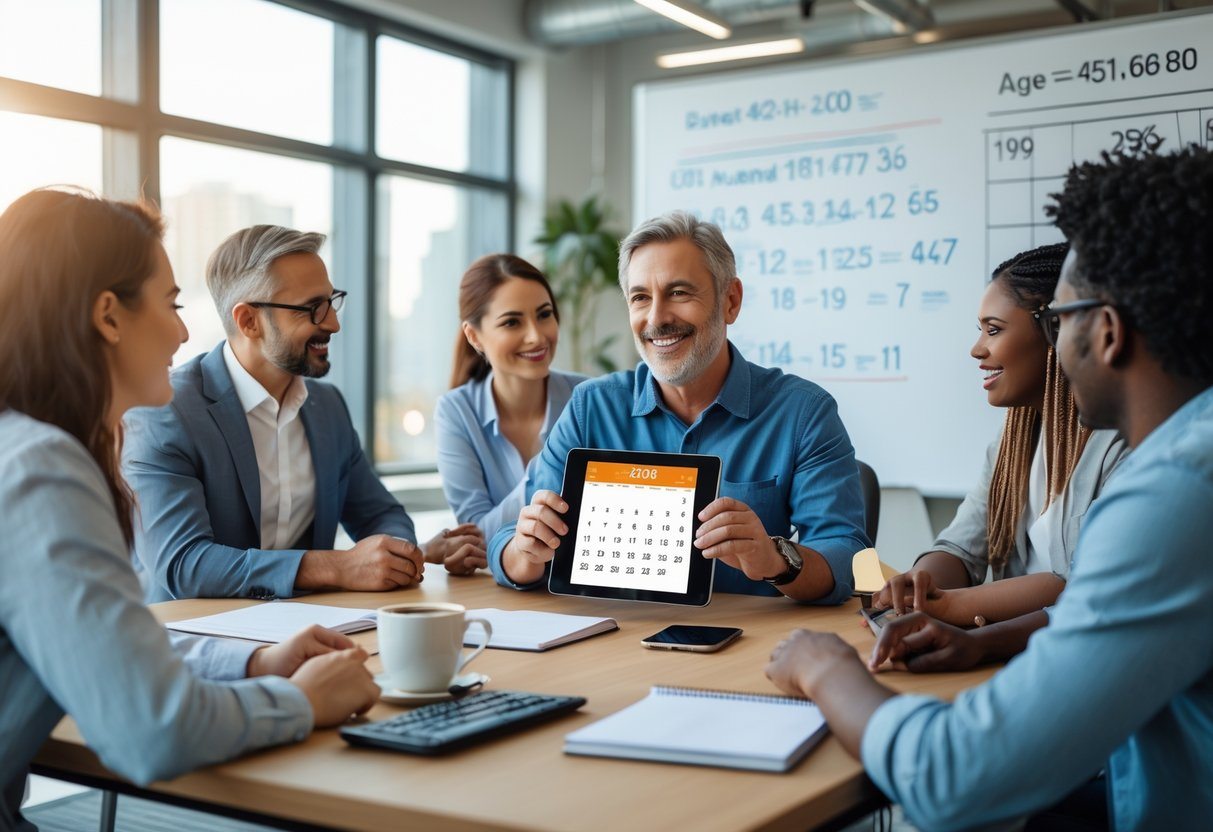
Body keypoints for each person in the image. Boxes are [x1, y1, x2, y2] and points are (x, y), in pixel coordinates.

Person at [765, 147, 1213, 830]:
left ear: (1108, 331)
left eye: (1061, 319)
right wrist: (979, 640)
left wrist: (824, 667)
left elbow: (954, 777)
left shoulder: (1176, 492)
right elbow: (1096, 611)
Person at [0, 189, 380, 831]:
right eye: (171, 304)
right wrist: (296, 702)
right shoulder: (41, 471)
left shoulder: (26, 450)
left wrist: (252, 661)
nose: (183, 331)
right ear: (108, 316)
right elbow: (152, 730)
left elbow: (113, 640)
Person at [489, 211, 869, 603]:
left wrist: (776, 559)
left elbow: (849, 555)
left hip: (747, 646)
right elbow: (509, 541)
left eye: (679, 293)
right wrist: (524, 551)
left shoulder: (803, 413)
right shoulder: (591, 407)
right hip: (612, 640)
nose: (657, 319)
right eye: (640, 298)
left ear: (731, 301)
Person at [124, 225, 482, 603]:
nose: (333, 323)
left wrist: (399, 555)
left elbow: (381, 515)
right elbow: (184, 564)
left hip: (310, 632)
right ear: (248, 321)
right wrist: (339, 567)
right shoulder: (165, 412)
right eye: (313, 308)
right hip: (195, 642)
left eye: (331, 302)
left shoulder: (327, 407)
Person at [870, 244, 1126, 654]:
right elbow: (960, 547)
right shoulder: (1013, 443)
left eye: (993, 329)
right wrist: (921, 584)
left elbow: (1080, 585)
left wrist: (954, 608)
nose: (977, 349)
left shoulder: (1122, 446)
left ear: (1055, 331)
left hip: (1078, 656)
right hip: (1017, 657)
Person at [434, 254, 586, 550]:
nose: (536, 336)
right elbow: (476, 535)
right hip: (500, 586)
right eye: (512, 322)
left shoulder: (587, 397)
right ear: (474, 336)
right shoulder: (456, 412)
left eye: (544, 314)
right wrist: (550, 466)